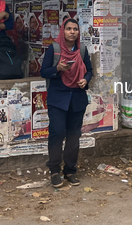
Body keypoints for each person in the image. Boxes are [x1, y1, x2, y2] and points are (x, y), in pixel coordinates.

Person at [41, 19, 92, 188]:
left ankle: (70, 170)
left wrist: (85, 80)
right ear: (63, 31)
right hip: (58, 98)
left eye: (75, 29)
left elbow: (90, 70)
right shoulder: (54, 49)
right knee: (56, 133)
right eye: (69, 29)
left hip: (77, 98)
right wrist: (57, 69)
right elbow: (43, 71)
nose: (72, 32)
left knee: (73, 135)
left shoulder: (82, 50)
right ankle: (54, 171)